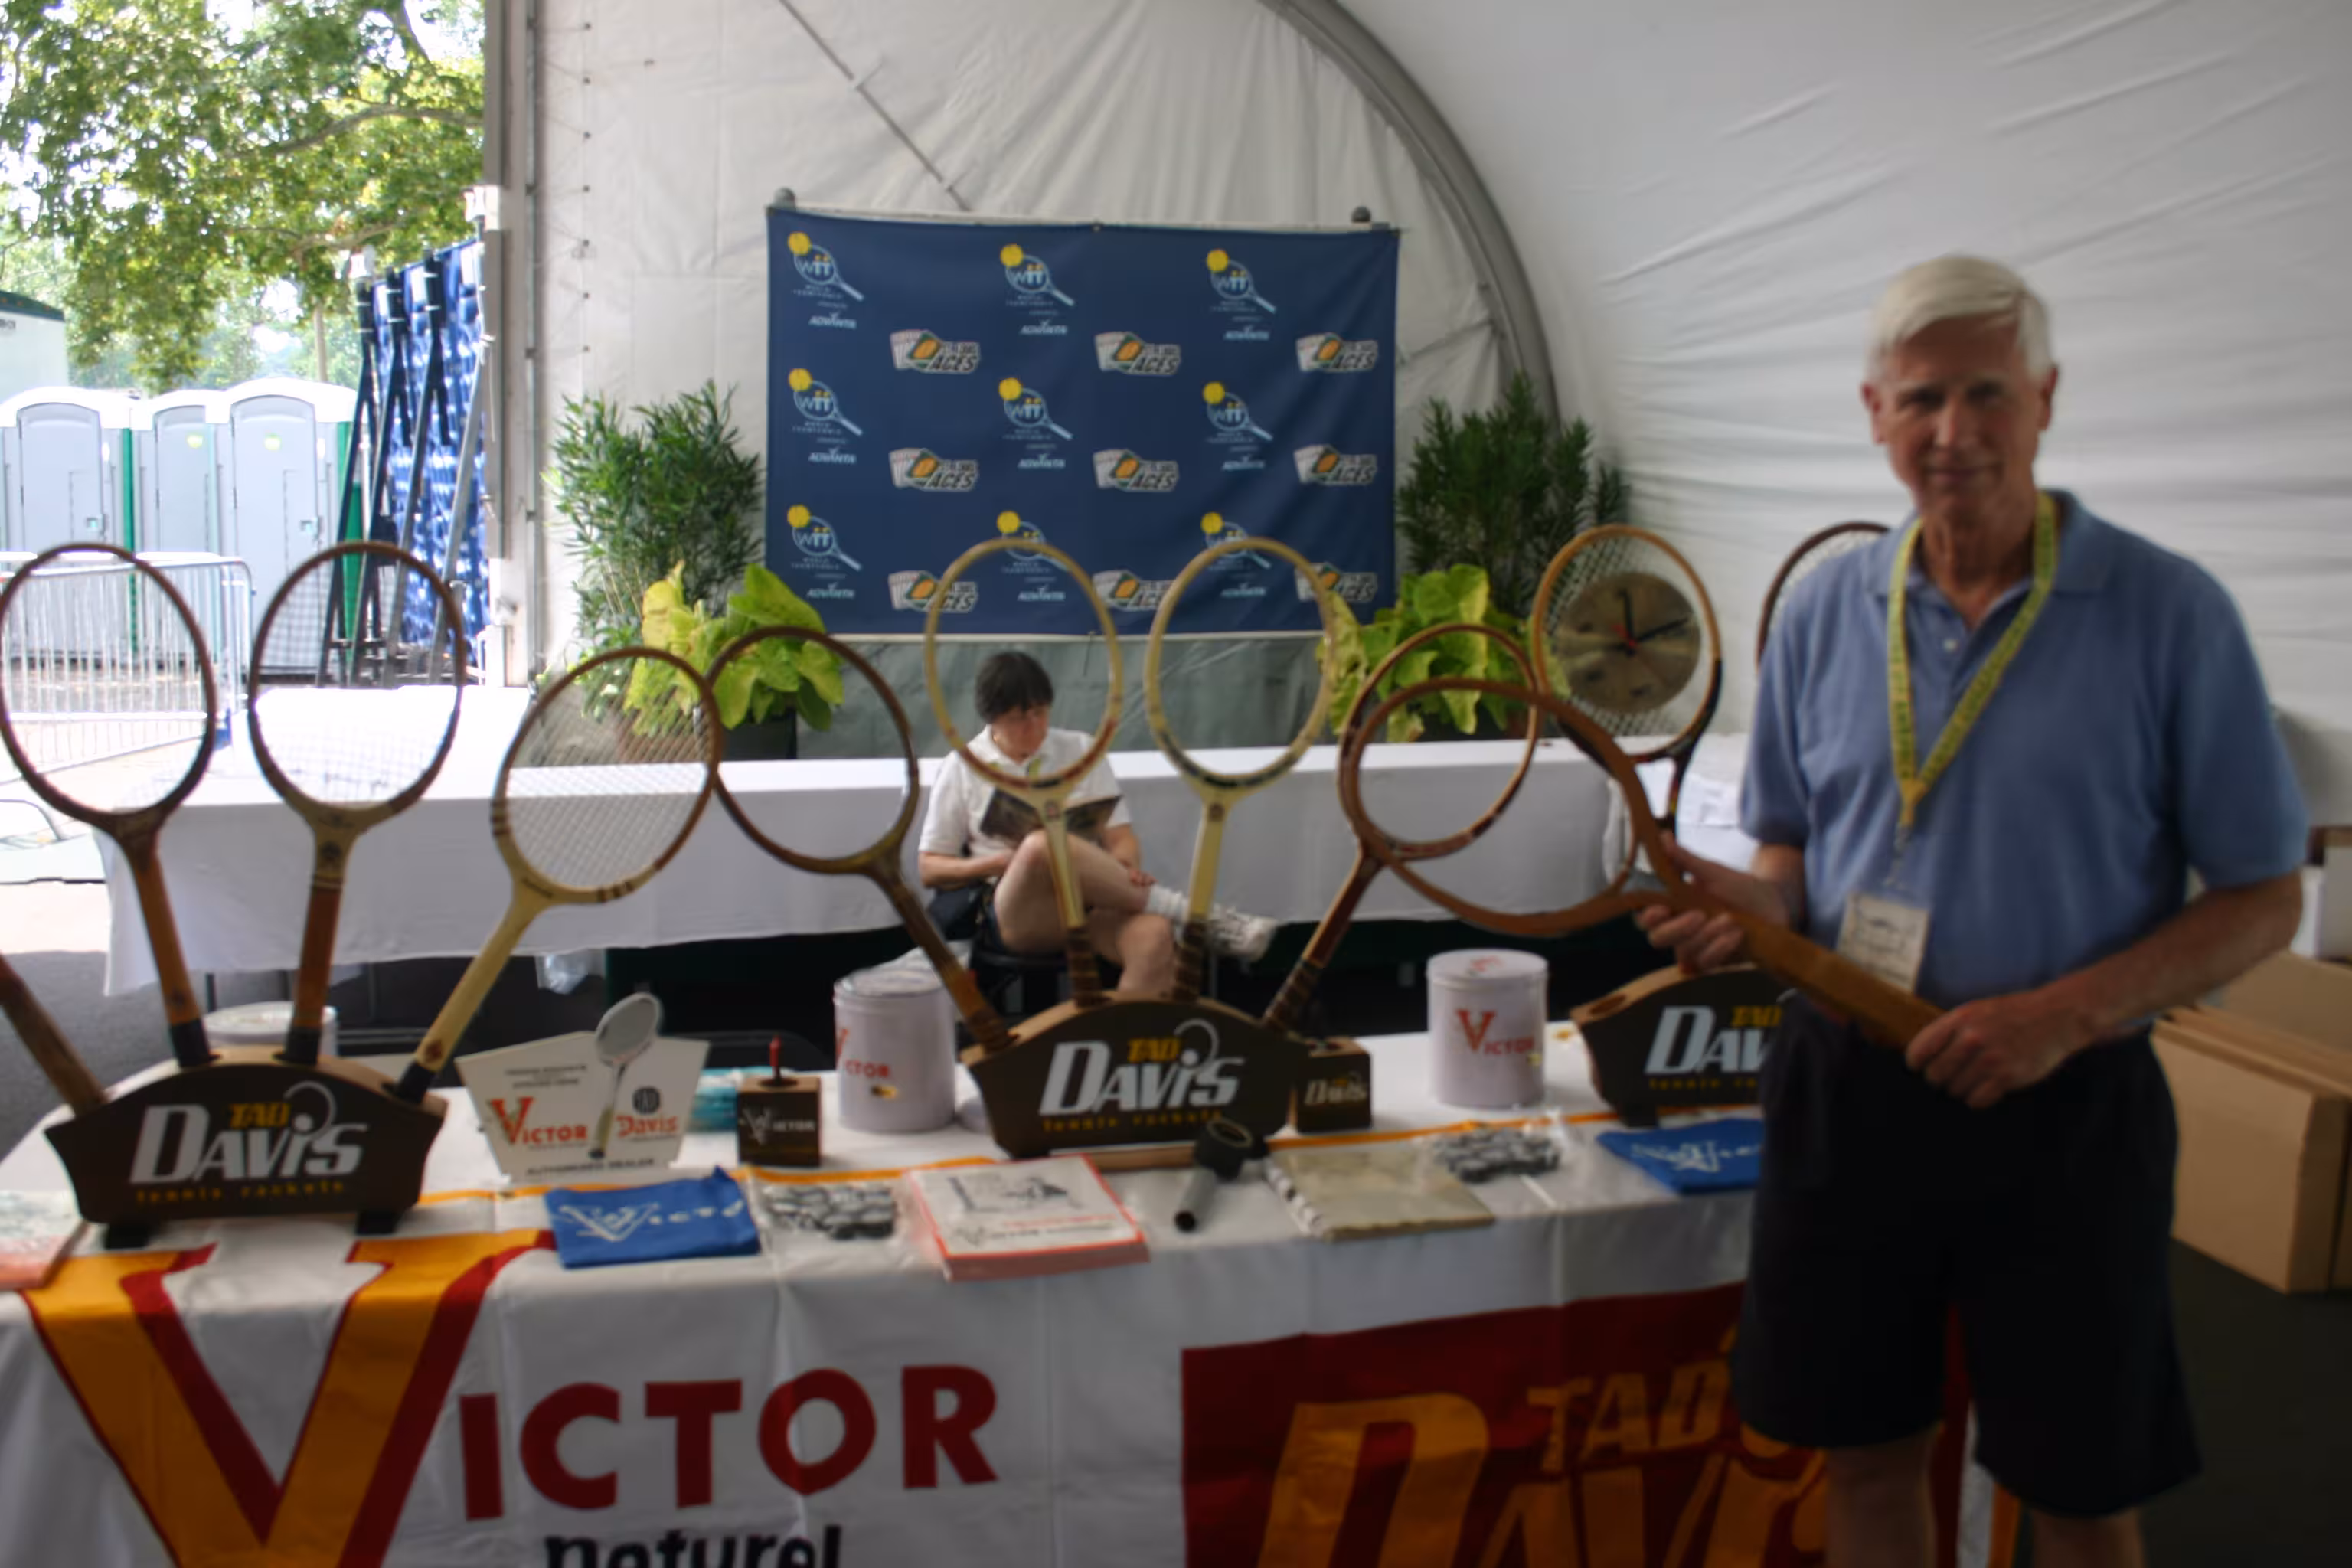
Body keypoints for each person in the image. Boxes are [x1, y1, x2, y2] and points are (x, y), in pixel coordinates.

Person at [1641, 256, 2305, 1568]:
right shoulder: (1826, 610)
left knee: (2078, 1484)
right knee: (1865, 1455)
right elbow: (1792, 851)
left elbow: (2264, 895)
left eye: (1987, 393)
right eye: (1922, 397)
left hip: (2064, 1104)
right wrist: (1754, 906)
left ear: (2044, 399)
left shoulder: (2169, 614)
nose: (1954, 431)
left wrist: (2061, 1017)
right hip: (1849, 1089)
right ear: (1874, 414)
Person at [917, 651, 1276, 996]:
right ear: (991, 718)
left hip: (1090, 901)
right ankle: (1201, 915)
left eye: (1041, 712)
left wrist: (1125, 866)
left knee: (1154, 935)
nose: (1034, 727)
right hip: (1019, 910)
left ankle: (1121, 1035)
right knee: (1043, 842)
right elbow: (930, 868)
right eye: (1018, 718)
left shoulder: (1080, 750)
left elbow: (1121, 837)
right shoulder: (963, 766)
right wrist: (996, 863)